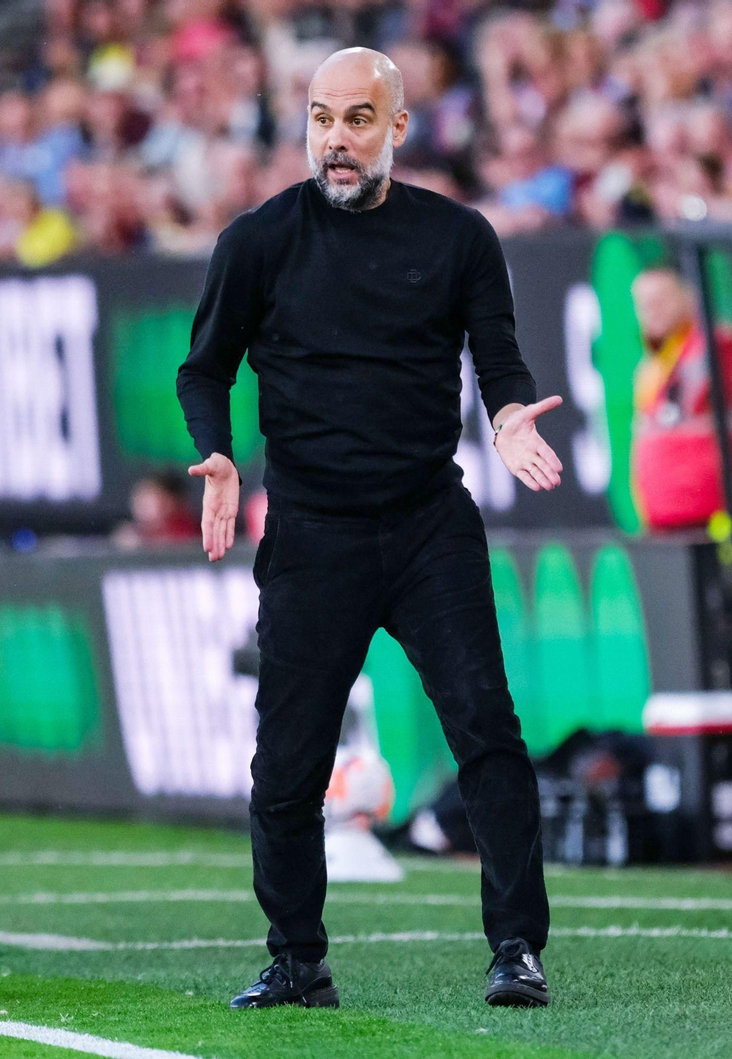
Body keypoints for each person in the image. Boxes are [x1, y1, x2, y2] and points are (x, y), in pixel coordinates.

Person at [176, 48, 557, 1010]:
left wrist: (509, 417)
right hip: (312, 532)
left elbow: (500, 359)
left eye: (356, 119)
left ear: (398, 128)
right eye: (319, 118)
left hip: (430, 521)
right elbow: (204, 368)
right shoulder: (258, 241)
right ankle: (298, 959)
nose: (335, 140)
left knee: (487, 731)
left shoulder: (460, 235)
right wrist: (217, 454)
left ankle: (517, 947)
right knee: (288, 761)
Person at [629, 266, 732, 529]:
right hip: (664, 514)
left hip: (713, 513)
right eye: (643, 303)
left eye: (661, 299)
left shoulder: (718, 346)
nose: (651, 310)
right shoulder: (653, 363)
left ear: (689, 296)